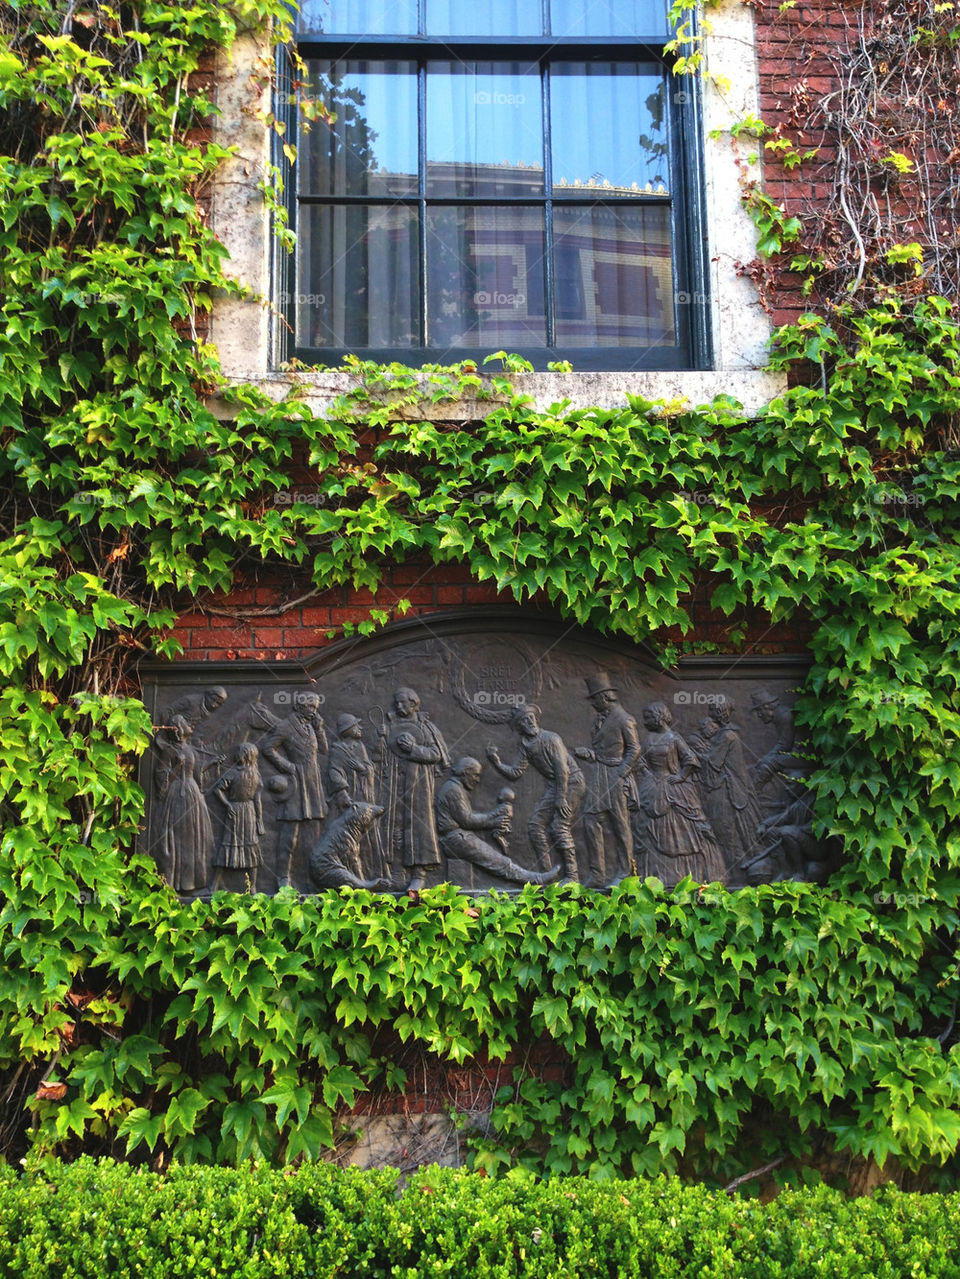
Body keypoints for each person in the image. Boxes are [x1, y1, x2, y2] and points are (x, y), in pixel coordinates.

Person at [632, 701, 726, 888]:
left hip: (675, 789)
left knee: (686, 831)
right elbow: (639, 761)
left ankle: (690, 877)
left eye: (649, 718)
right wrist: (649, 777)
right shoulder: (649, 739)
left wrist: (681, 776)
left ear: (659, 717)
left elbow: (690, 760)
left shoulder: (674, 738)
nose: (645, 722)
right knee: (649, 828)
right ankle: (658, 879)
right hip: (652, 789)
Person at [486, 704, 584, 882]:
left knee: (559, 826)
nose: (530, 722)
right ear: (519, 727)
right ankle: (548, 875)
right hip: (555, 785)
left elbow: (563, 770)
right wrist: (496, 762)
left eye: (531, 717)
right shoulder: (526, 746)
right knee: (535, 826)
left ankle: (572, 876)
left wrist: (561, 798)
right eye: (525, 720)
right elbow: (516, 772)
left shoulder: (551, 739)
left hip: (572, 782)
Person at [435, 757, 561, 887]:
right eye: (476, 775)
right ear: (465, 772)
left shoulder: (454, 788)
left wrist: (492, 820)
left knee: (496, 858)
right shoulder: (453, 790)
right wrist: (493, 822)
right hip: (456, 840)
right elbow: (467, 820)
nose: (477, 780)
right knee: (496, 860)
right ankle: (536, 880)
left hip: (459, 837)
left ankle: (535, 878)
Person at [379, 687, 449, 891]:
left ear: (414, 703)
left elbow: (436, 754)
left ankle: (419, 874)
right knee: (394, 824)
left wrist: (413, 749)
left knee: (419, 826)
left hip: (418, 784)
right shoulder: (390, 724)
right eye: (396, 703)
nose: (398, 706)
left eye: (402, 702)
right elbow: (379, 757)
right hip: (393, 781)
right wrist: (381, 740)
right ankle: (396, 871)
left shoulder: (426, 727)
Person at [574, 673, 640, 886]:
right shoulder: (600, 719)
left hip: (615, 775)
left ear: (604, 697)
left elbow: (634, 749)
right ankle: (597, 874)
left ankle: (624, 872)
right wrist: (591, 755)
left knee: (620, 825)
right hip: (599, 775)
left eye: (594, 699)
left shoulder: (624, 719)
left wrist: (621, 772)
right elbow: (602, 749)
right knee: (590, 820)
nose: (592, 703)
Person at [261, 692, 328, 887]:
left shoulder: (311, 726)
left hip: (312, 783)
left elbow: (323, 750)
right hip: (296, 783)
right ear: (300, 706)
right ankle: (282, 878)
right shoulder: (285, 726)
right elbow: (268, 748)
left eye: (316, 707)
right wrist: (288, 766)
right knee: (289, 835)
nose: (314, 711)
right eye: (311, 707)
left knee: (313, 835)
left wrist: (320, 728)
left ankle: (312, 877)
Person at [693, 699, 761, 872]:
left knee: (726, 831)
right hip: (727, 787)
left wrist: (693, 754)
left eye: (712, 710)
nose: (709, 713)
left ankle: (734, 871)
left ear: (720, 713)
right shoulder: (726, 734)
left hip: (729, 790)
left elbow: (714, 762)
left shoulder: (726, 736)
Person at [153, 714, 215, 895]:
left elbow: (198, 774)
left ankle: (192, 884)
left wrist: (212, 764)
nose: (190, 725)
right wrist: (177, 768)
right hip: (177, 795)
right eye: (186, 723)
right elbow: (161, 778)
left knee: (194, 838)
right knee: (180, 838)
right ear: (179, 729)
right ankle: (173, 885)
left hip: (192, 793)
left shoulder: (189, 749)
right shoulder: (169, 751)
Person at [326, 712, 385, 877]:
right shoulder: (337, 750)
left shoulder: (360, 747)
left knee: (369, 834)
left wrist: (362, 768)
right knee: (348, 836)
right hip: (348, 799)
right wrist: (343, 792)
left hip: (363, 794)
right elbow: (334, 772)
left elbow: (369, 767)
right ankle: (349, 873)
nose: (360, 728)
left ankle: (372, 872)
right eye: (356, 725)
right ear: (348, 730)